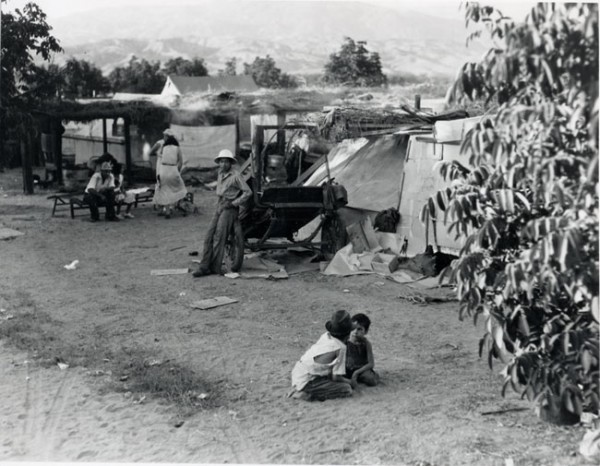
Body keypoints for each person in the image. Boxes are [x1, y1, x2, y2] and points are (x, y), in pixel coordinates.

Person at [193, 149, 251, 277]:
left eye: (226, 162)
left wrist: (234, 203)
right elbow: (220, 191)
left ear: (231, 163)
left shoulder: (235, 176)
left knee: (220, 237)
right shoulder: (220, 173)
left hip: (230, 208)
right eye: (221, 162)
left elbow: (248, 192)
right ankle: (204, 267)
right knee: (209, 236)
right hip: (220, 205)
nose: (223, 164)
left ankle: (215, 267)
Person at [288, 310, 358, 401]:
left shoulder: (326, 336)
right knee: (346, 389)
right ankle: (305, 394)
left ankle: (300, 388)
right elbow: (336, 377)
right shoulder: (340, 348)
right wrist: (351, 382)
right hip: (309, 380)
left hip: (299, 372)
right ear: (347, 334)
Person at [150, 129, 187, 218]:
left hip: (163, 169)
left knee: (165, 190)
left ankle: (167, 211)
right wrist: (177, 171)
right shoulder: (177, 148)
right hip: (172, 169)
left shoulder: (163, 147)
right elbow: (180, 162)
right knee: (180, 188)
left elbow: (161, 157)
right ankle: (174, 206)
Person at [346, 313, 380, 387]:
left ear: (366, 331)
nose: (355, 331)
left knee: (371, 380)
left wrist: (356, 372)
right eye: (353, 328)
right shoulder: (345, 342)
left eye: (359, 329)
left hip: (360, 370)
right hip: (347, 369)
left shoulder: (366, 344)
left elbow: (371, 363)